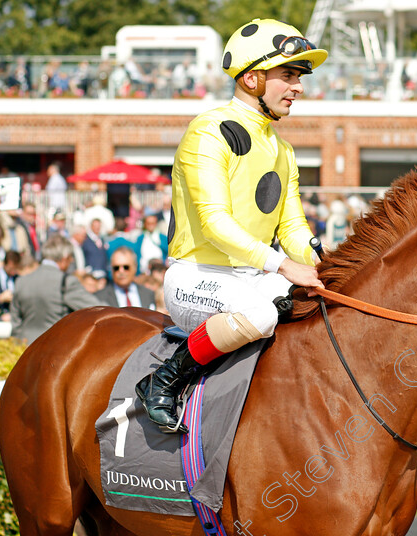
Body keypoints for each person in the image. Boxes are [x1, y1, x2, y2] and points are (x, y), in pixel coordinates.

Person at [135, 18, 327, 433]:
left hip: (250, 276)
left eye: (300, 78)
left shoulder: (282, 148)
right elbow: (216, 225)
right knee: (261, 315)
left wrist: (328, 264)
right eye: (289, 75)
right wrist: (282, 266)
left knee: (318, 306)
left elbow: (292, 228)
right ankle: (163, 380)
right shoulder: (207, 131)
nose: (298, 87)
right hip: (196, 276)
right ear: (254, 78)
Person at [10, 234, 104, 344]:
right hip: (54, 348)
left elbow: (16, 323)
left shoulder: (21, 282)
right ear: (64, 259)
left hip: (25, 349)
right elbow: (97, 309)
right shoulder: (66, 282)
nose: (71, 261)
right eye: (70, 258)